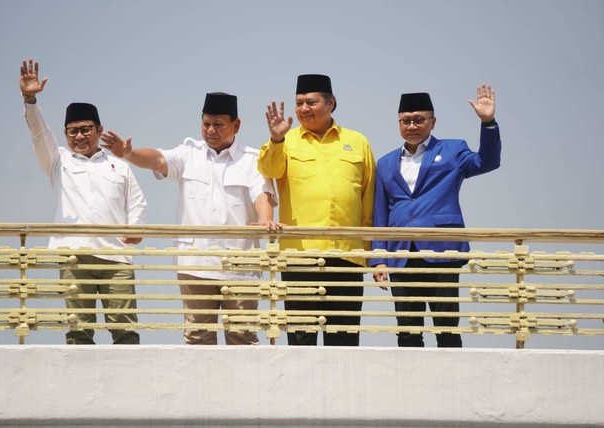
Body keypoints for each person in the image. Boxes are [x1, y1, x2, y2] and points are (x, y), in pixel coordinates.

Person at [100, 92, 279, 345]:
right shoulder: (189, 154)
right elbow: (158, 159)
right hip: (196, 265)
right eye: (206, 123)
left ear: (236, 125)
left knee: (242, 337)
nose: (210, 130)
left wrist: (265, 220)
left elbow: (262, 194)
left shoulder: (252, 160)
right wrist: (129, 154)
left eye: (218, 124)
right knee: (198, 337)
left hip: (240, 267)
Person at [19, 58, 147, 345]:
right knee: (79, 329)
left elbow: (137, 203)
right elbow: (40, 134)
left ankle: (127, 385)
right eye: (73, 131)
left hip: (116, 256)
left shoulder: (119, 166)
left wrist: (136, 227)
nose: (79, 136)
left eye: (86, 129)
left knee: (125, 328)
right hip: (74, 255)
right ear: (65, 135)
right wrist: (30, 99)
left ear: (99, 131)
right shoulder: (58, 161)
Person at [370, 84, 501, 347]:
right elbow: (380, 212)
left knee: (447, 326)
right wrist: (378, 259)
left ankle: (454, 383)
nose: (412, 126)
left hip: (442, 251)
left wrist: (488, 123)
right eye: (406, 120)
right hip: (401, 254)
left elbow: (487, 162)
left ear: (432, 121)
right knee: (407, 329)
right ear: (399, 123)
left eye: (419, 119)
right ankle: (410, 383)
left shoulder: (452, 151)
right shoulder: (385, 163)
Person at [258, 74, 376, 346]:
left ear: (331, 103)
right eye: (299, 103)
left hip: (347, 255)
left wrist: (370, 252)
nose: (303, 109)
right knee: (301, 340)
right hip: (300, 255)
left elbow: (368, 200)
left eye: (311, 102)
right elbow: (268, 170)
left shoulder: (358, 142)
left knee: (344, 340)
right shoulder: (286, 141)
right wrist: (276, 140)